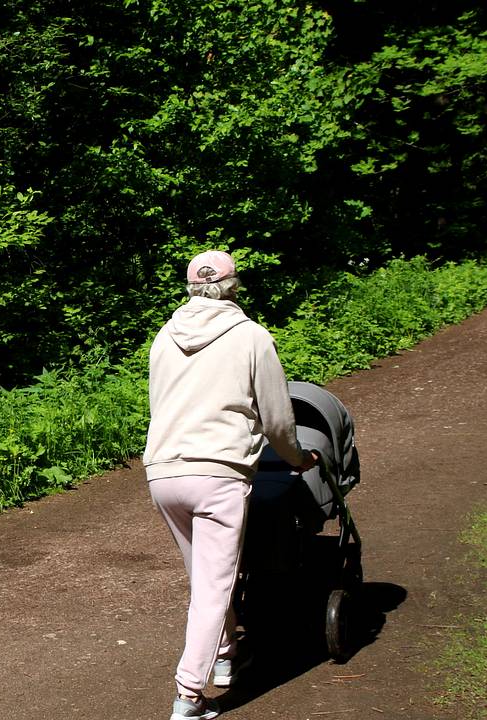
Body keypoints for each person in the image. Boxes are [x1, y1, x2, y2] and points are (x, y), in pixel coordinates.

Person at [143, 250, 317, 720]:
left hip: (163, 473)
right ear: (234, 286)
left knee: (204, 579)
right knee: (213, 588)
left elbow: (160, 403)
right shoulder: (251, 337)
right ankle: (189, 697)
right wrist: (300, 458)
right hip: (217, 473)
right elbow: (278, 418)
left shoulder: (164, 336)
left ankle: (224, 657)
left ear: (190, 288)